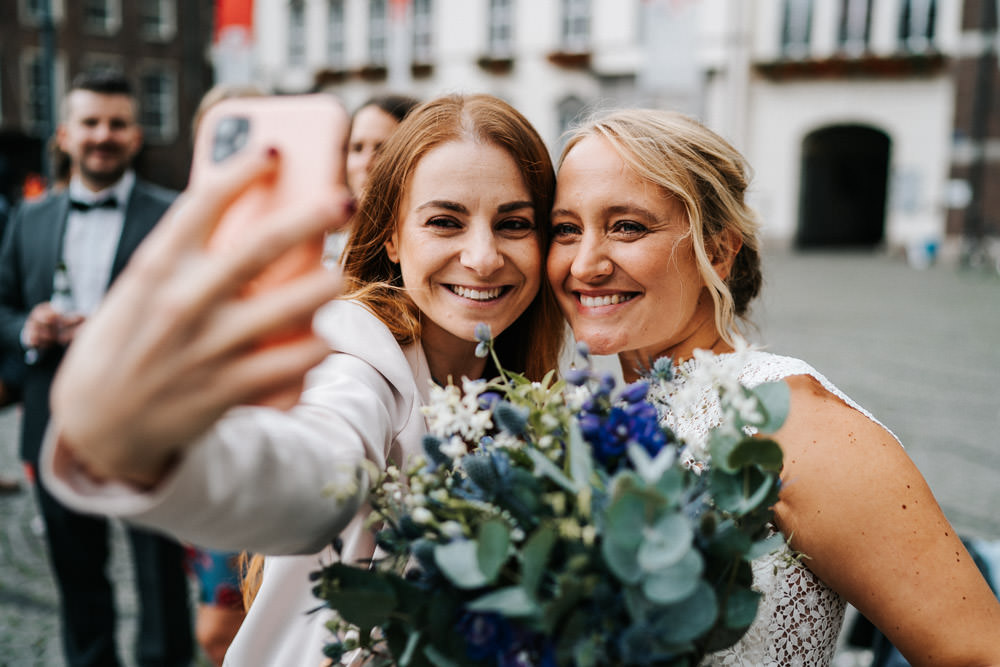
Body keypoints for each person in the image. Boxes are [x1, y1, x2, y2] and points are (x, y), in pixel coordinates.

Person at [38, 93, 563, 665]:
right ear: (390, 236)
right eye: (444, 221)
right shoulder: (360, 353)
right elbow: (311, 476)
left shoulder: (537, 390)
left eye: (513, 223)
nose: (483, 257)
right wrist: (145, 451)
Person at [546, 108, 1000, 665]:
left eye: (627, 227)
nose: (585, 263)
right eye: (566, 229)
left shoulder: (797, 426)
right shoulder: (592, 419)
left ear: (717, 249)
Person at [0, 69, 194, 667]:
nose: (102, 135)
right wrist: (25, 328)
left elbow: (196, 313)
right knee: (76, 572)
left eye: (116, 123)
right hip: (53, 418)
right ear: (65, 134)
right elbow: (2, 305)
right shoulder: (31, 217)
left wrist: (123, 333)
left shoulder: (175, 215)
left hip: (146, 421)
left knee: (159, 576)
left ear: (136, 137)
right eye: (90, 122)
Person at [324, 93, 420, 265]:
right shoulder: (323, 242)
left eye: (382, 149)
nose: (366, 163)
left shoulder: (419, 246)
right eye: (357, 148)